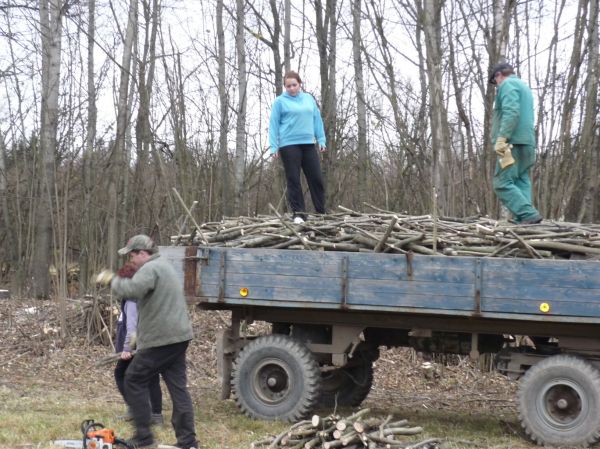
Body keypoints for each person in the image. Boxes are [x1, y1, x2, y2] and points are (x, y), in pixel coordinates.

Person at [97, 235, 197, 449]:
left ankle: (144, 438)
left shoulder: (150, 269)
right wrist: (139, 336)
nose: (131, 261)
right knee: (178, 389)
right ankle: (188, 442)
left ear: (143, 253)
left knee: (133, 378)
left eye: (132, 256)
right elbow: (157, 305)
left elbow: (132, 291)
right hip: (178, 337)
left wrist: (111, 280)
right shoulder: (165, 266)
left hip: (162, 339)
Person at [269, 70, 327, 224]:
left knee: (316, 178)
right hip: (288, 144)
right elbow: (273, 124)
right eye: (288, 86)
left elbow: (317, 119)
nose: (292, 88)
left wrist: (321, 139)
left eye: (294, 85)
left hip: (308, 143)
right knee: (293, 179)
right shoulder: (280, 102)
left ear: (300, 84)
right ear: (285, 87)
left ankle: (321, 211)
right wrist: (273, 146)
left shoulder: (308, 99)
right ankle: (299, 213)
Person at [489, 62, 542, 224]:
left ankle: (527, 214)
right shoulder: (524, 87)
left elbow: (511, 111)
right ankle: (525, 219)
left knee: (501, 183)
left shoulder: (508, 84)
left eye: (495, 81)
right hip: (527, 143)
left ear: (499, 75)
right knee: (521, 180)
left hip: (512, 143)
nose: (496, 85)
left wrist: (502, 138)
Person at [113, 261, 163, 426]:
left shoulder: (132, 300)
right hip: (150, 343)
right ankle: (155, 415)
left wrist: (127, 348)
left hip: (137, 346)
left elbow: (132, 326)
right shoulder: (146, 295)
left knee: (121, 374)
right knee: (151, 377)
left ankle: (138, 410)